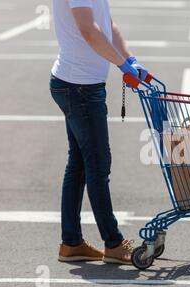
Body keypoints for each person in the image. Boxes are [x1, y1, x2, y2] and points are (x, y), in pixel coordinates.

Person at [49, 0, 148, 264]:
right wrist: (121, 65)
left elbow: (107, 26)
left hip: (80, 85)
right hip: (78, 87)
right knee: (97, 165)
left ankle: (71, 243)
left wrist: (129, 59)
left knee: (80, 164)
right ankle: (113, 243)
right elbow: (89, 31)